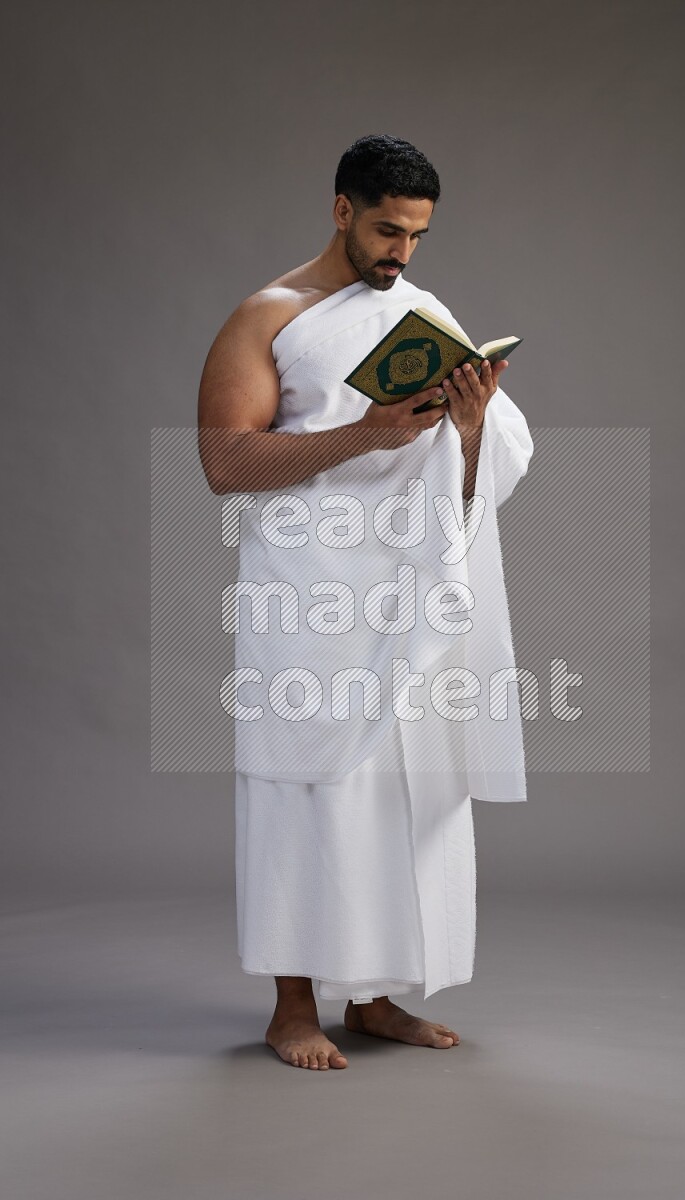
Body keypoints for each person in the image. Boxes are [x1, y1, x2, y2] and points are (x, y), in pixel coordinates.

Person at [198, 134, 533, 1070]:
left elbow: (475, 471)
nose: (401, 254)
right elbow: (224, 464)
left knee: (398, 783)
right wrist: (366, 435)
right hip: (307, 595)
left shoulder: (422, 312)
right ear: (341, 209)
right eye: (387, 230)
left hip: (407, 589)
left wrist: (466, 429)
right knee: (305, 782)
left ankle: (377, 997)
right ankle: (293, 1007)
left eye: (418, 237)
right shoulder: (267, 317)